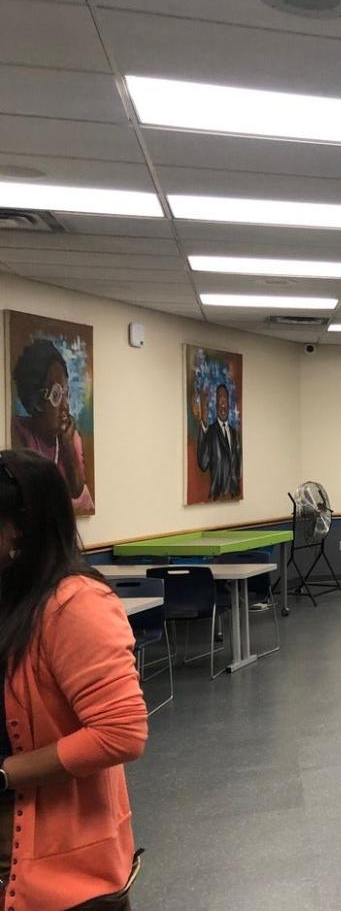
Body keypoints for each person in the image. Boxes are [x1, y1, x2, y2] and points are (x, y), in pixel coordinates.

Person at [0, 449, 148, 909]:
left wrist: (4, 775)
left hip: (60, 872)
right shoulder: (12, 595)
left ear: (20, 530)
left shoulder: (74, 603)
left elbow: (121, 733)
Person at [10, 339, 93, 514]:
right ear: (37, 401)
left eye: (66, 394)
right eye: (56, 395)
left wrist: (68, 446)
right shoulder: (19, 434)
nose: (65, 405)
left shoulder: (70, 437)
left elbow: (77, 492)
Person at [193, 382, 241, 500]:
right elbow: (203, 464)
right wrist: (204, 424)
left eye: (226, 400)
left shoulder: (235, 435)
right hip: (217, 498)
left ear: (229, 404)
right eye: (220, 400)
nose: (223, 404)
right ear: (216, 405)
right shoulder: (211, 433)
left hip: (234, 498)